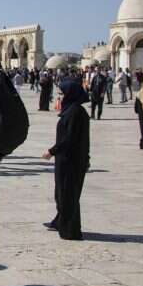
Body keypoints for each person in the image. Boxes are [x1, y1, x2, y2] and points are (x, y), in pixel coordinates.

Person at [42, 79, 90, 241]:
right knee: (61, 193)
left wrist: (52, 151)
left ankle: (71, 230)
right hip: (67, 160)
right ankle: (60, 221)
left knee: (68, 194)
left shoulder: (75, 113)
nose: (60, 97)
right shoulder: (72, 110)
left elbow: (70, 138)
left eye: (62, 94)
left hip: (71, 160)